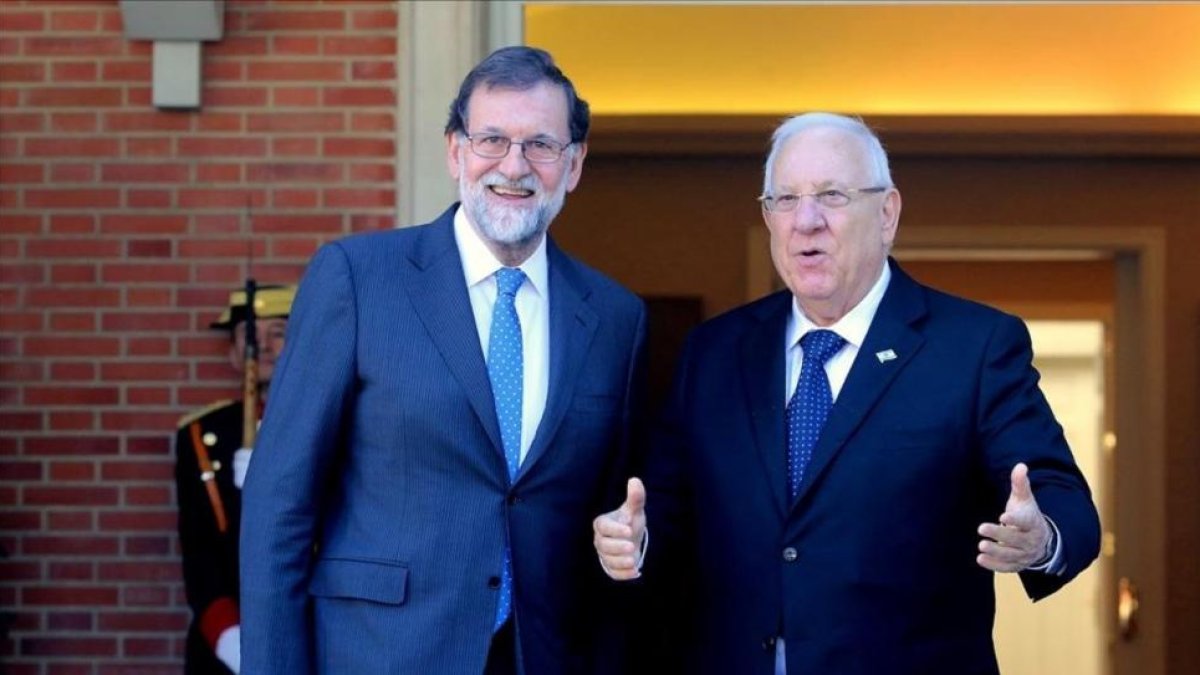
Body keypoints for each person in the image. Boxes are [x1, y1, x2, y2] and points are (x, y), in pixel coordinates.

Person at [593, 112, 1101, 674]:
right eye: (785, 200)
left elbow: (1063, 502)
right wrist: (633, 541)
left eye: (831, 196)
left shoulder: (973, 347)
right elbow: (665, 509)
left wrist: (1042, 539)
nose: (806, 221)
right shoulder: (713, 353)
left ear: (887, 213)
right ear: (768, 217)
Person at [239, 46, 646, 675]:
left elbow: (620, 510)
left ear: (573, 165)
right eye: (492, 140)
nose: (514, 165)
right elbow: (279, 505)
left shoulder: (616, 317)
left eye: (540, 144)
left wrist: (635, 539)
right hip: (380, 653)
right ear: (455, 150)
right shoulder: (358, 278)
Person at [175, 284, 294, 674]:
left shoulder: (325, 426)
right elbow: (199, 547)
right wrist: (226, 634)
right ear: (231, 352)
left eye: (277, 332)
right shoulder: (200, 434)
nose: (261, 346)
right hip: (227, 638)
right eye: (249, 336)